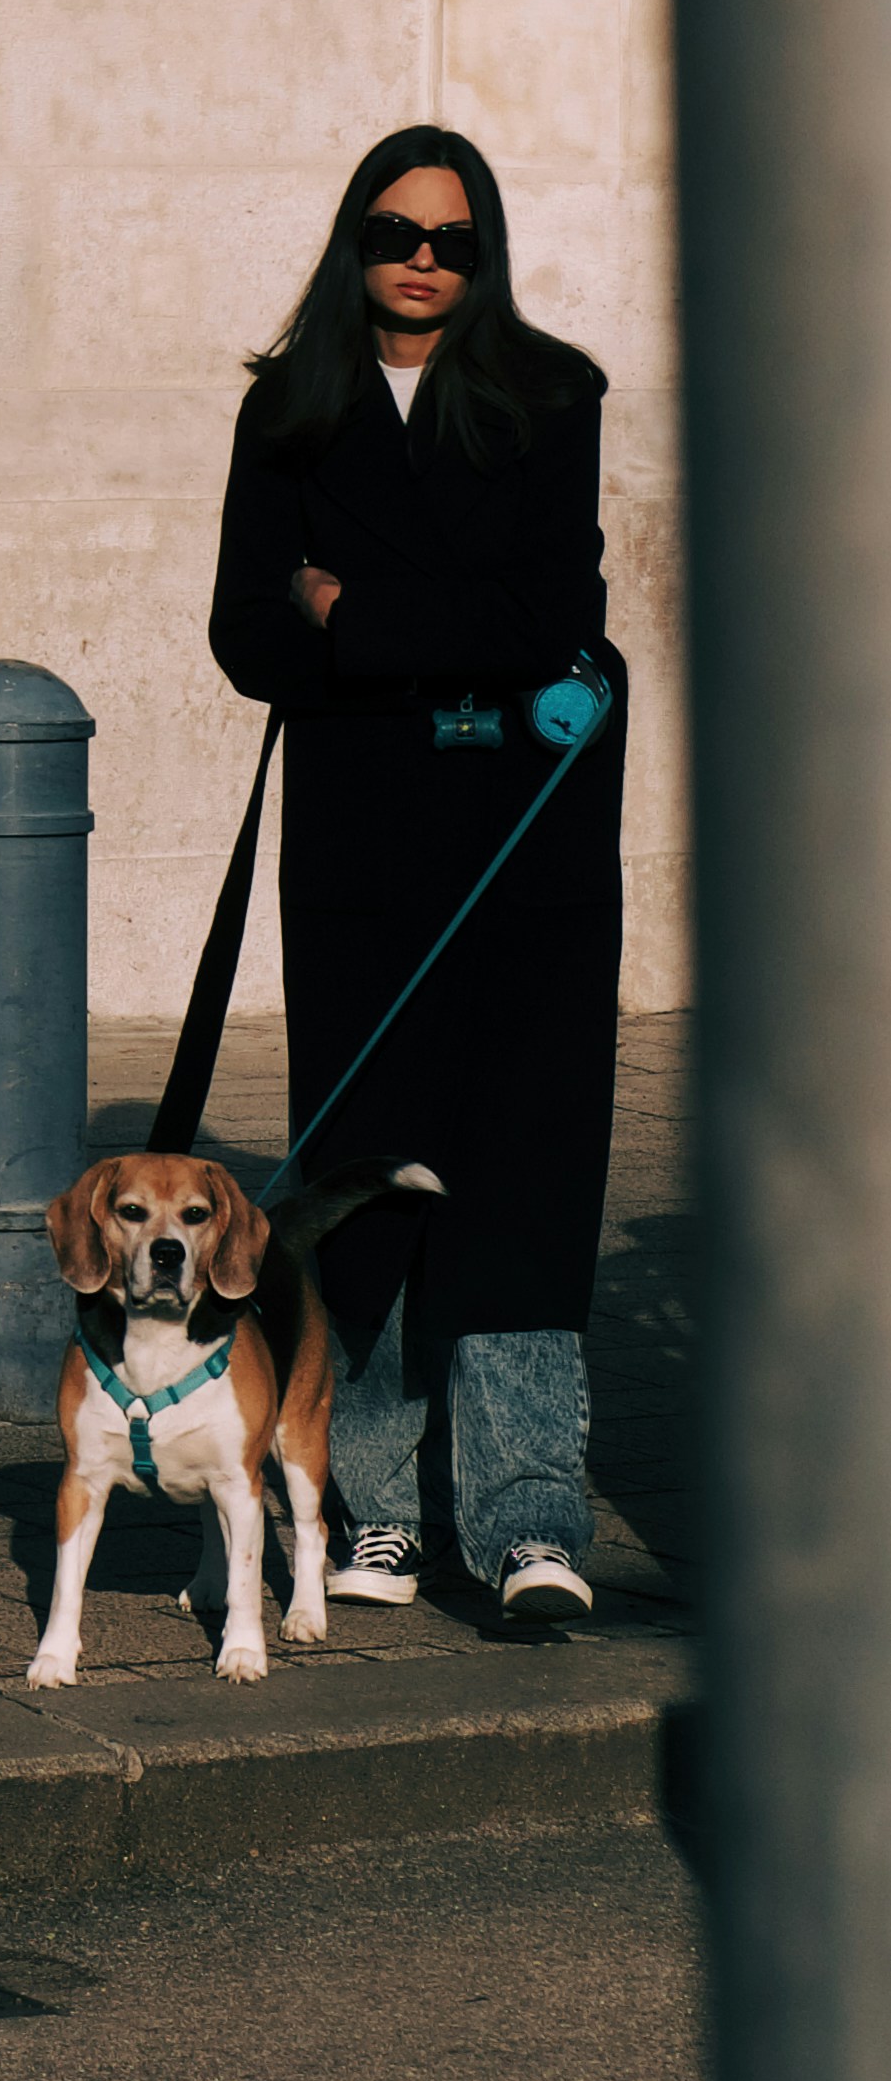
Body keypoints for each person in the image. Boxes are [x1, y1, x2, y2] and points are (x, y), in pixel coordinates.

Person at [207, 126, 624, 1632]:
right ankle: (370, 1508)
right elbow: (247, 631)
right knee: (370, 1172)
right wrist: (420, 630)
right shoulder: (288, 409)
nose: (423, 260)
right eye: (395, 232)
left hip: (525, 841)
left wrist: (354, 615)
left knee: (522, 1168)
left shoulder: (551, 393)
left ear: (484, 252)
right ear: (354, 242)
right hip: (363, 845)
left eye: (453, 238)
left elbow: (548, 616)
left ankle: (526, 1520)